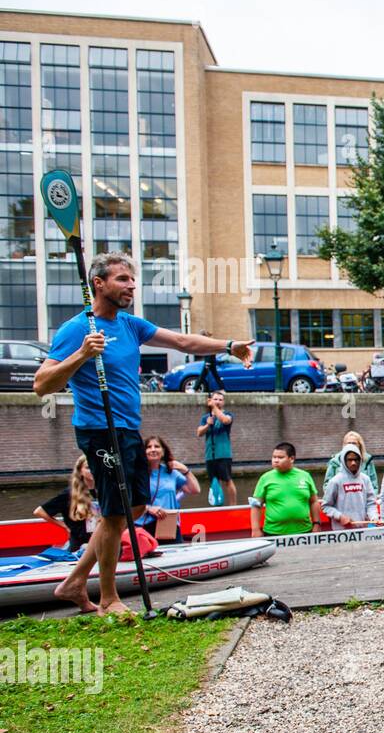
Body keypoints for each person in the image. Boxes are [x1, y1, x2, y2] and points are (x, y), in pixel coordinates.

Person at [33, 252, 252, 614]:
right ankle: (108, 598)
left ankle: (74, 581)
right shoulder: (76, 330)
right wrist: (82, 355)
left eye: (133, 279)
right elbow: (42, 385)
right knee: (116, 512)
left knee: (130, 507)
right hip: (99, 431)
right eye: (122, 279)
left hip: (127, 429)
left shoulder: (131, 325)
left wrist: (228, 347)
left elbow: (183, 342)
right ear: (98, 284)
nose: (131, 285)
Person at [34, 456, 99, 562]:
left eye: (94, 467)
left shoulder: (104, 490)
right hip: (79, 545)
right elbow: (40, 511)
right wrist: (64, 526)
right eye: (88, 468)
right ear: (80, 471)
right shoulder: (69, 494)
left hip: (101, 541)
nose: (92, 470)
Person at [136, 436, 199, 542]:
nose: (153, 449)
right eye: (149, 447)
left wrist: (185, 470)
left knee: (176, 556)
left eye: (156, 446)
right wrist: (148, 508)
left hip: (168, 523)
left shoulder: (171, 472)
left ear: (163, 451)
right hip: (143, 525)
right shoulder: (137, 473)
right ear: (144, 452)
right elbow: (128, 499)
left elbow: (194, 490)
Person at [251, 442, 320, 536]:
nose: (275, 460)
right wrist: (255, 529)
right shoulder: (265, 478)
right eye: (274, 457)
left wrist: (316, 523)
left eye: (280, 457)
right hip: (273, 532)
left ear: (291, 459)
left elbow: (314, 501)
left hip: (304, 531)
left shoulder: (305, 476)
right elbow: (256, 505)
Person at [322, 442, 377, 530]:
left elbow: (371, 503)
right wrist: (340, 517)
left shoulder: (365, 479)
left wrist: (374, 517)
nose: (353, 463)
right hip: (341, 531)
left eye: (356, 459)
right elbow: (326, 506)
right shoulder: (335, 481)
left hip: (362, 529)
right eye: (350, 460)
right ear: (344, 460)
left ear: (360, 460)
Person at [196, 390, 236, 505]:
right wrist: (208, 424)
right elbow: (199, 433)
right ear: (210, 400)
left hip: (223, 454)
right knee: (215, 482)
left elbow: (225, 420)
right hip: (210, 455)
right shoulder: (205, 418)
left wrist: (214, 408)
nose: (218, 401)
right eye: (215, 399)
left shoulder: (228, 414)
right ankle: (218, 505)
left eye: (220, 400)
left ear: (223, 402)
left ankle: (233, 506)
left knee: (227, 480)